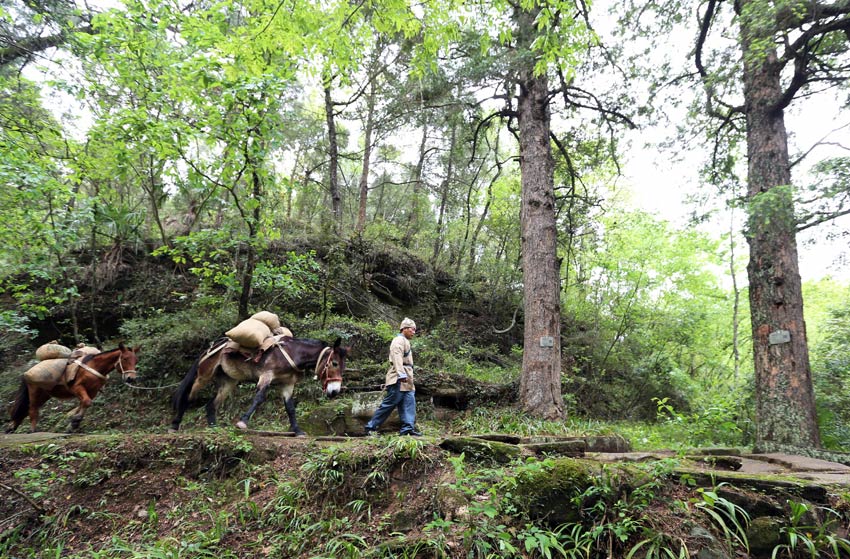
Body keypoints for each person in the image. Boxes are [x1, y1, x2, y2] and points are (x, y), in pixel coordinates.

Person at [364, 317, 421, 436]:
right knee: (390, 403)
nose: (414, 332)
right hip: (399, 377)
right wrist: (401, 374)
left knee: (409, 402)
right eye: (412, 329)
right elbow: (397, 357)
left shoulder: (405, 341)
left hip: (408, 377)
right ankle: (371, 427)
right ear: (404, 329)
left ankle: (407, 429)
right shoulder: (398, 340)